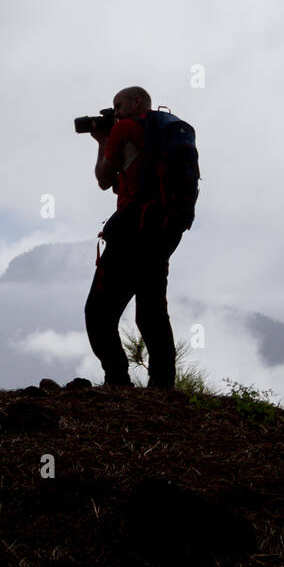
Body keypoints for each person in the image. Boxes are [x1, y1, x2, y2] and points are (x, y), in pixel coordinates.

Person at [84, 85, 193, 390]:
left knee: (98, 312)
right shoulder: (162, 135)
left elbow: (104, 179)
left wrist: (102, 140)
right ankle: (162, 386)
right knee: (151, 311)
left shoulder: (126, 129)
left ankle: (117, 380)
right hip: (165, 229)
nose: (115, 113)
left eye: (118, 106)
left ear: (137, 102)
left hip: (133, 229)